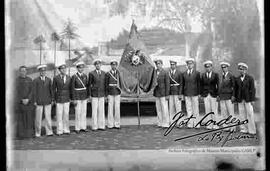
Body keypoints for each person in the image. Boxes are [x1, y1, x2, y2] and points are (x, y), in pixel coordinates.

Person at [234, 63, 256, 135]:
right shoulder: (237, 79)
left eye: (243, 69)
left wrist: (252, 99)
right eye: (240, 69)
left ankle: (252, 130)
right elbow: (235, 89)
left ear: (246, 70)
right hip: (240, 99)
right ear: (239, 70)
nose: (242, 71)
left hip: (248, 99)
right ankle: (244, 129)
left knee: (250, 114)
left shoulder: (250, 78)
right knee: (242, 114)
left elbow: (252, 89)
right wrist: (235, 98)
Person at [33, 64, 54, 137]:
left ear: (46, 71)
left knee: (48, 117)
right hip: (39, 102)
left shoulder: (49, 80)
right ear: (39, 72)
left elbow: (51, 90)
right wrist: (35, 101)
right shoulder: (35, 80)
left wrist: (52, 99)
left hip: (48, 101)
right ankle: (37, 132)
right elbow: (34, 92)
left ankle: (49, 131)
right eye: (41, 71)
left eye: (44, 71)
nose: (43, 72)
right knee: (38, 118)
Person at [15, 66, 35, 139]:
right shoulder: (16, 80)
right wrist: (21, 100)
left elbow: (32, 91)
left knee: (29, 119)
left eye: (24, 71)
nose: (23, 72)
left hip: (28, 103)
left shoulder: (30, 80)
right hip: (20, 103)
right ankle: (21, 135)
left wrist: (28, 99)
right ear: (19, 72)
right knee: (21, 120)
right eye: (21, 71)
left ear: (26, 72)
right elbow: (15, 92)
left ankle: (29, 135)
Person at [52, 64, 71, 136]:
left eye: (64, 69)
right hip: (59, 98)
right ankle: (59, 130)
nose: (64, 70)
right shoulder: (56, 78)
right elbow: (53, 89)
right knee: (59, 115)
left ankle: (66, 129)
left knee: (66, 114)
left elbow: (71, 88)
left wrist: (71, 98)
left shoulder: (69, 77)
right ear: (59, 70)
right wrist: (53, 99)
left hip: (66, 98)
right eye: (62, 69)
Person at [200, 60, 219, 129]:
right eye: (206, 67)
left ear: (211, 67)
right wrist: (201, 94)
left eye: (209, 67)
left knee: (214, 110)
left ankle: (215, 124)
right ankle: (209, 124)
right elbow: (201, 85)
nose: (208, 68)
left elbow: (218, 85)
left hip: (213, 94)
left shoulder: (215, 75)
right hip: (205, 94)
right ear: (205, 68)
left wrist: (218, 95)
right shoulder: (203, 75)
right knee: (207, 110)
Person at [182, 58, 201, 128]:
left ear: (193, 64)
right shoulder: (184, 74)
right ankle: (190, 123)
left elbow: (199, 84)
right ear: (187, 65)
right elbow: (183, 84)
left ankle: (196, 123)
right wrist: (182, 93)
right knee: (188, 109)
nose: (190, 65)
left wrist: (199, 93)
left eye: (191, 64)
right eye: (188, 64)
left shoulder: (197, 73)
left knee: (195, 109)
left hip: (195, 93)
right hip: (187, 93)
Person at [217, 62, 236, 131]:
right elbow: (219, 87)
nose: (223, 69)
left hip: (229, 96)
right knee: (223, 112)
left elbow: (234, 87)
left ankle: (233, 127)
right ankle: (226, 126)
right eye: (222, 67)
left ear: (227, 67)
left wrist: (233, 95)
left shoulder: (231, 75)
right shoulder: (220, 76)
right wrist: (218, 95)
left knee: (231, 112)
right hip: (222, 96)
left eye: (225, 67)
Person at [71, 61, 89, 134]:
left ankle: (83, 127)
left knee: (84, 112)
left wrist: (87, 96)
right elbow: (72, 88)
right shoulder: (74, 77)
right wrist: (74, 99)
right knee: (78, 112)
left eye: (82, 67)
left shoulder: (85, 76)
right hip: (77, 96)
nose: (81, 69)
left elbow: (86, 87)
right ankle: (77, 128)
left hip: (84, 96)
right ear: (77, 68)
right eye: (79, 67)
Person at [88, 59, 106, 131]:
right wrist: (89, 94)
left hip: (101, 94)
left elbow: (105, 84)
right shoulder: (91, 73)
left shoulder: (104, 73)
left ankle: (101, 125)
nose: (98, 65)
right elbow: (89, 85)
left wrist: (105, 94)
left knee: (101, 110)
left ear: (101, 65)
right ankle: (94, 126)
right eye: (96, 64)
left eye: (99, 64)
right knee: (94, 111)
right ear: (95, 65)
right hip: (94, 94)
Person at [153, 59, 170, 128]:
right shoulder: (154, 72)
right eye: (157, 64)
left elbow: (167, 84)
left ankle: (166, 123)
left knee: (164, 108)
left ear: (162, 64)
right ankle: (160, 122)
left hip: (163, 93)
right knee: (158, 108)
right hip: (157, 93)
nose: (158, 65)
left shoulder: (165, 72)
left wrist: (167, 94)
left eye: (159, 64)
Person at [105, 59, 121, 129]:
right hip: (110, 92)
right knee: (110, 108)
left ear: (116, 65)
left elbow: (121, 83)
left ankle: (117, 124)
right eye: (112, 65)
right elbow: (106, 84)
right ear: (111, 65)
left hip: (117, 92)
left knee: (117, 108)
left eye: (115, 65)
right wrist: (106, 94)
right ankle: (110, 124)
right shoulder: (108, 74)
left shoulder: (119, 73)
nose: (114, 66)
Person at [168, 60, 183, 124]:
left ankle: (179, 122)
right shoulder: (168, 73)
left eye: (173, 64)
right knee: (171, 108)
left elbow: (181, 84)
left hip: (177, 92)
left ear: (176, 65)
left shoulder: (179, 73)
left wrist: (180, 94)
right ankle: (172, 121)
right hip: (171, 92)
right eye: (171, 64)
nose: (172, 66)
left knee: (178, 108)